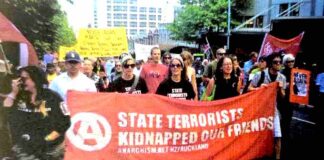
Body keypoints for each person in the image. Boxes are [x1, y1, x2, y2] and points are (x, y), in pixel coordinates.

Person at [3, 66, 71, 160]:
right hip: (25, 149)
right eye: (20, 78)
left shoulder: (52, 96)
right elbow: (5, 114)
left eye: (24, 79)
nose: (21, 81)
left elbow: (65, 122)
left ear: (36, 79)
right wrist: (13, 93)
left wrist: (48, 139)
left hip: (50, 150)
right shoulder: (19, 97)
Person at [249, 53, 286, 160]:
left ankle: (277, 156)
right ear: (270, 63)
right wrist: (259, 88)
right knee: (258, 136)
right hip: (259, 110)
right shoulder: (260, 75)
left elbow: (283, 97)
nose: (278, 64)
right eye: (275, 62)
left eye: (280, 62)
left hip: (273, 110)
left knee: (278, 136)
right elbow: (249, 89)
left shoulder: (282, 77)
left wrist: (281, 89)